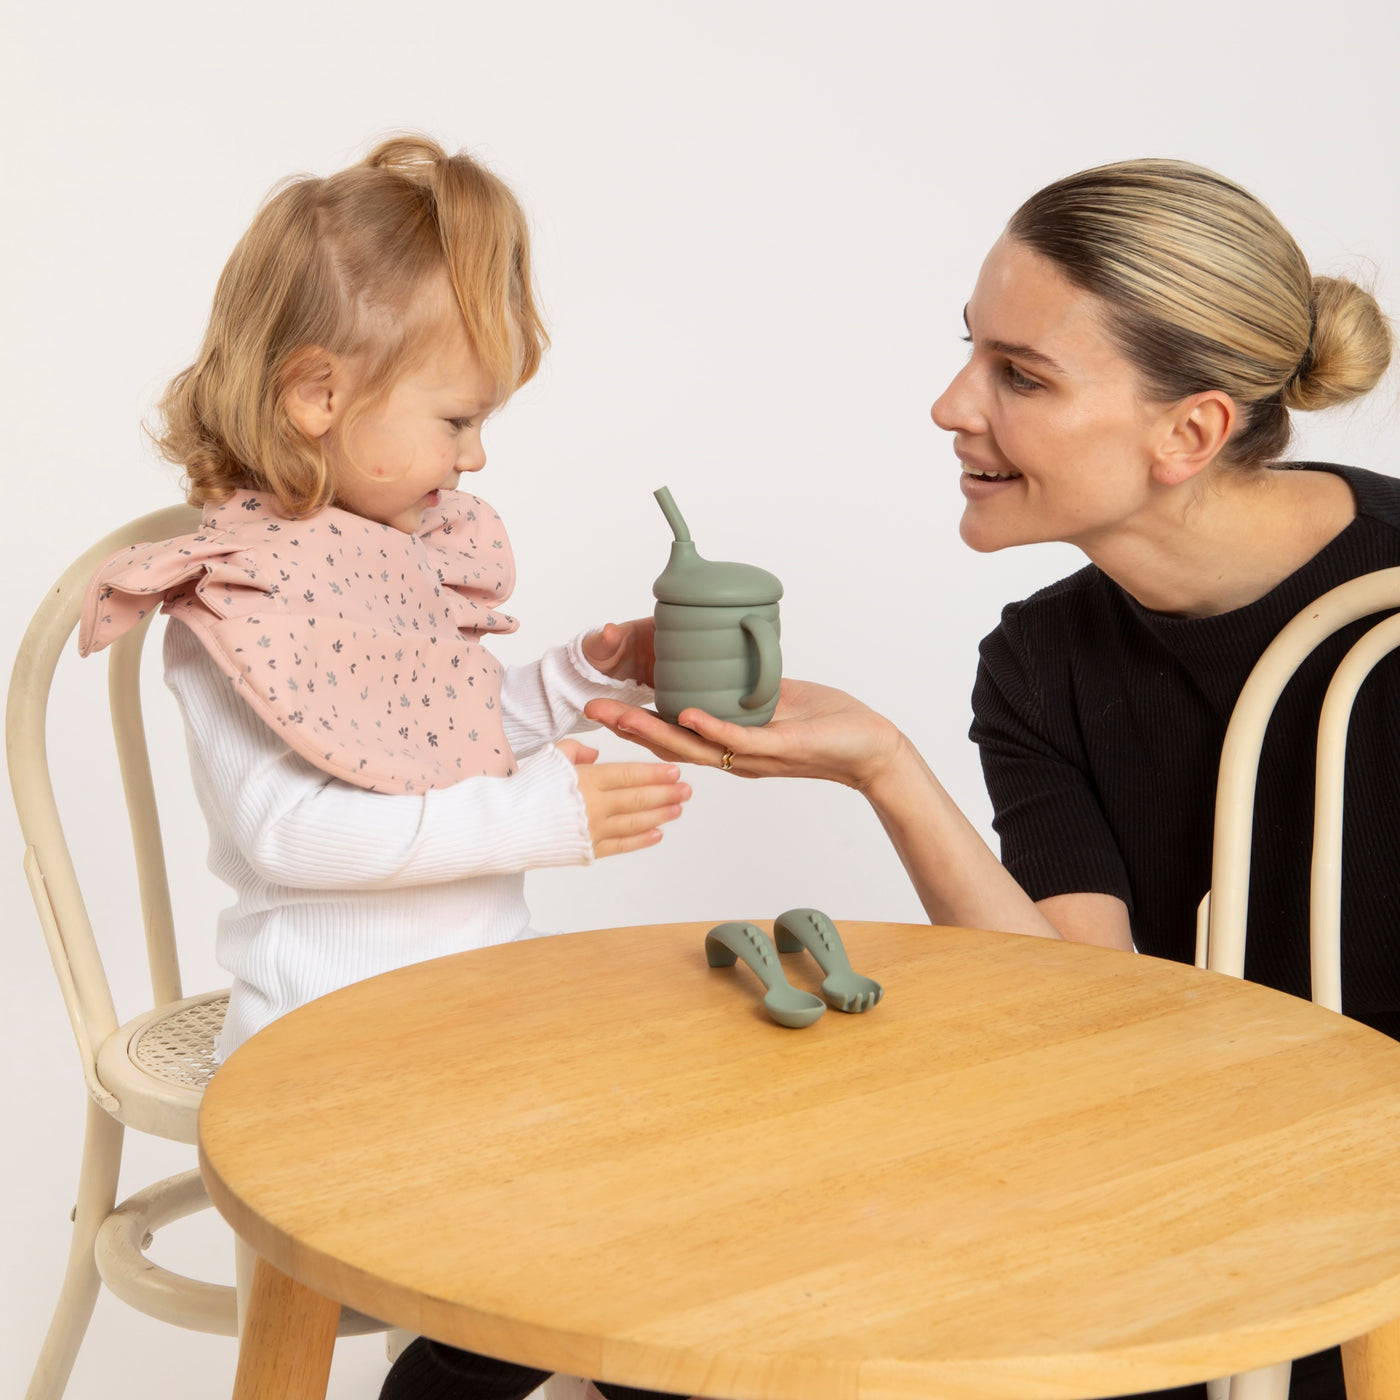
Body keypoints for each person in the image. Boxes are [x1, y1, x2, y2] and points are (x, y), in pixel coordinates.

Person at [587, 158, 1396, 1400]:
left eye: (1018, 375)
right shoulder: (1040, 661)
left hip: (1342, 1263)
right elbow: (1084, 1015)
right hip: (1160, 1186)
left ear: (1188, 431)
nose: (948, 404)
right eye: (971, 350)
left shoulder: (1385, 607)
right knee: (629, 1308)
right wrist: (884, 766)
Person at [78, 136, 691, 1400]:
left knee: (666, 1202)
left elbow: (433, 730)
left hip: (465, 1037)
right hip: (327, 1064)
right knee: (554, 1253)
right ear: (319, 399)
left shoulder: (395, 556)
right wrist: (543, 817)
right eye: (458, 419)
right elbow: (296, 834)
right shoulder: (245, 599)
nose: (473, 458)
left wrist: (579, 675)